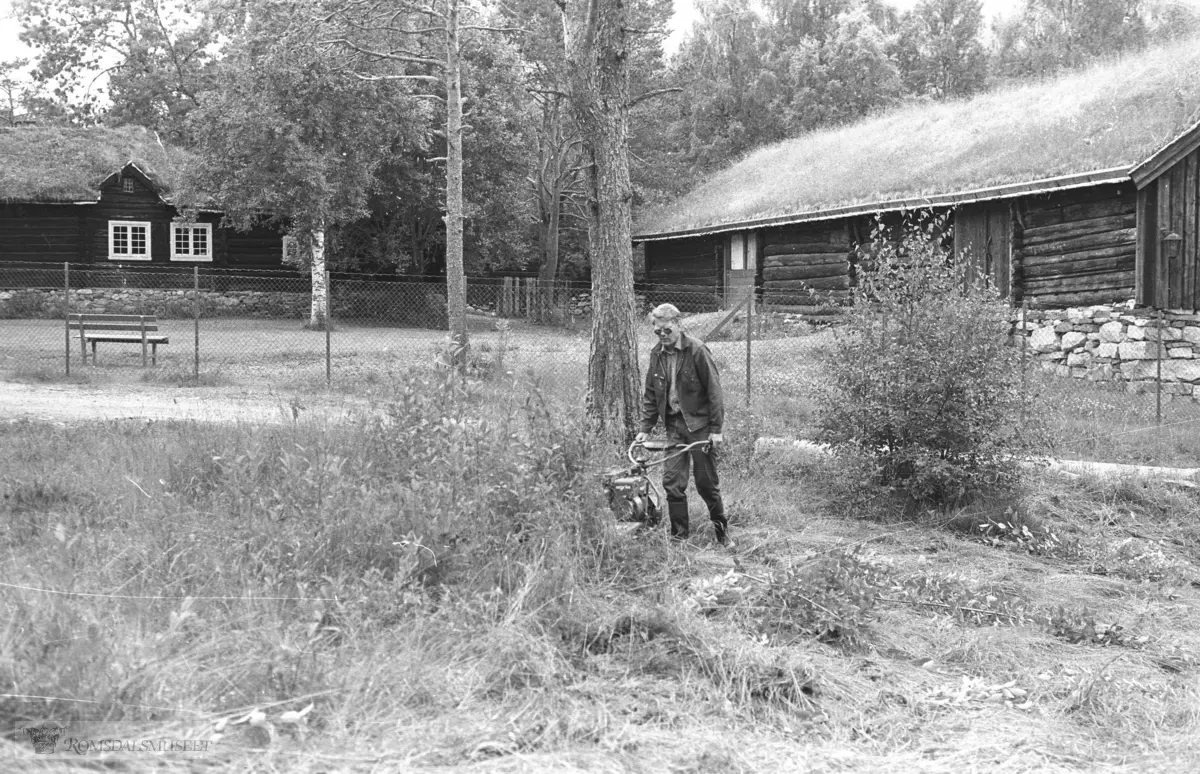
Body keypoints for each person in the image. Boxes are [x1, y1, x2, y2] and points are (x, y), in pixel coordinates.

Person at [635, 303, 730, 545]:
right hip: (674, 427)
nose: (662, 335)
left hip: (700, 426)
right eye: (657, 331)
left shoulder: (697, 350)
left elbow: (714, 392)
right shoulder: (656, 354)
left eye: (666, 330)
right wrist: (645, 429)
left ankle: (722, 535)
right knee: (672, 483)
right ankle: (679, 540)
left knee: (706, 484)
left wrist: (716, 430)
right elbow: (650, 394)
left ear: (678, 325)